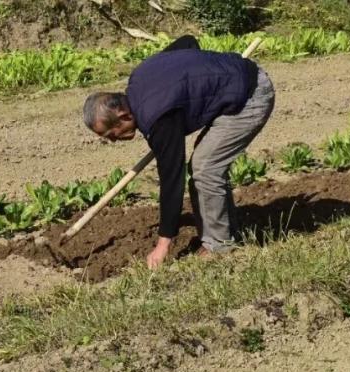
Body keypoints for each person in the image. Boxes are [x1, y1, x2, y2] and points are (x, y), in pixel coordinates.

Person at [82, 35, 275, 268]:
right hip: (237, 79)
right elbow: (187, 43)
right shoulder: (140, 76)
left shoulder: (157, 118)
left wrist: (163, 244)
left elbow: (172, 181)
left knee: (205, 168)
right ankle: (224, 234)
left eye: (110, 134)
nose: (112, 141)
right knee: (204, 166)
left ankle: (220, 247)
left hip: (250, 96)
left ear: (123, 116)